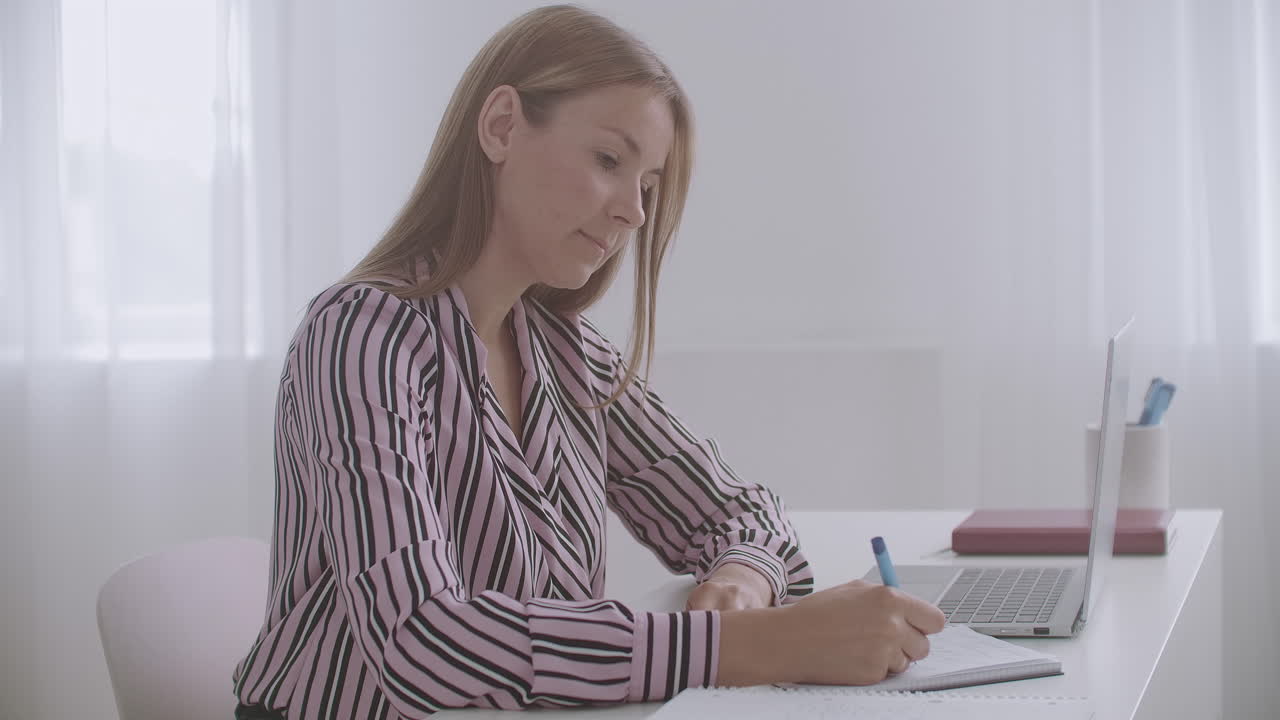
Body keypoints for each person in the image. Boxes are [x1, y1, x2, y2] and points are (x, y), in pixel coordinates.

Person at [232, 5, 944, 718]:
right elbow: (422, 642)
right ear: (502, 126)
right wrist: (759, 645)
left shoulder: (564, 351)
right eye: (610, 160)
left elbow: (742, 513)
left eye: (648, 185)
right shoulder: (362, 336)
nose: (634, 212)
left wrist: (741, 587)